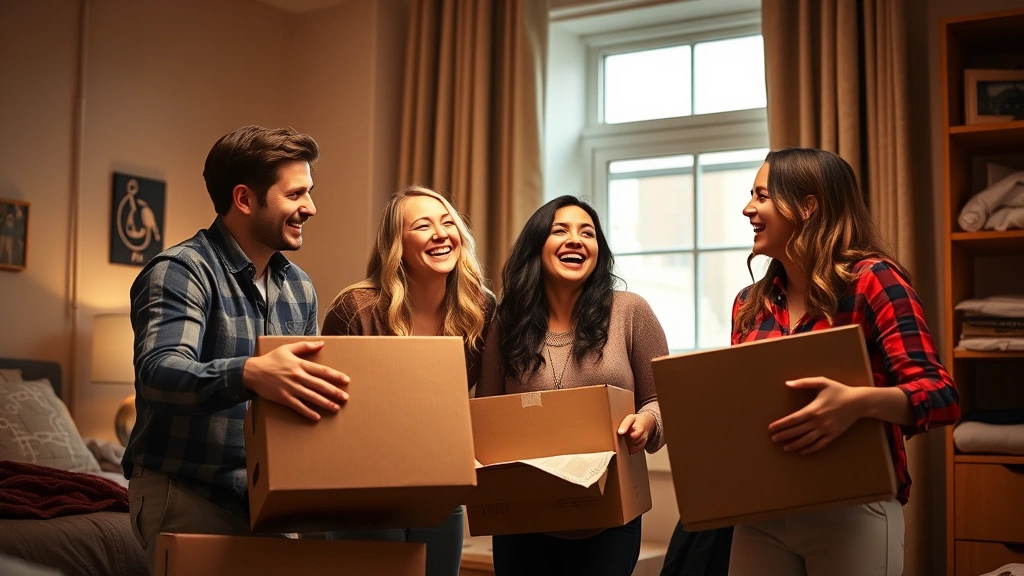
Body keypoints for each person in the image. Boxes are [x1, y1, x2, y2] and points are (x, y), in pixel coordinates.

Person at [121, 125, 351, 572]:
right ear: (245, 199)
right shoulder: (181, 271)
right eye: (296, 194)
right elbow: (159, 372)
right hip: (188, 493)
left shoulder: (299, 287)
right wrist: (250, 373)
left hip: (268, 500)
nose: (311, 207)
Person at [728, 147, 960, 575]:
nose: (748, 208)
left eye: (762, 196)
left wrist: (857, 403)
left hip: (853, 508)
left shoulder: (874, 281)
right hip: (759, 513)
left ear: (807, 206)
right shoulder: (748, 305)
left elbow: (941, 395)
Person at [476, 195, 668, 576]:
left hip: (610, 518)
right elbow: (487, 415)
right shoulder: (506, 322)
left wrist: (647, 423)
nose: (576, 240)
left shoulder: (630, 312)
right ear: (536, 246)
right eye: (559, 230)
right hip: (522, 522)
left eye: (588, 233)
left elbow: (662, 398)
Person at [321, 185, 494, 576]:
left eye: (448, 222)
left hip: (440, 484)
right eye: (422, 225)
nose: (440, 233)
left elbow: (487, 396)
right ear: (395, 244)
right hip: (364, 488)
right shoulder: (356, 309)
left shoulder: (480, 308)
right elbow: (329, 407)